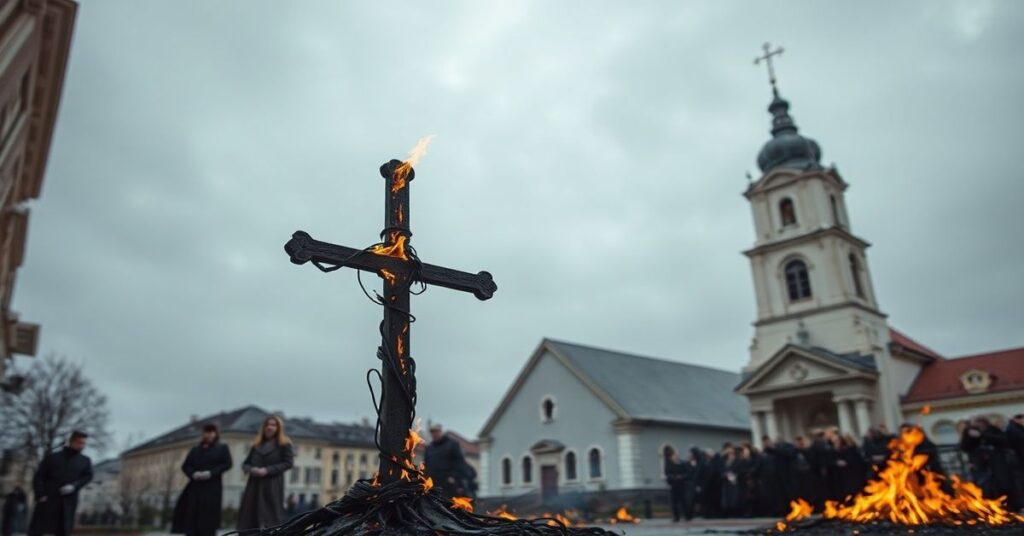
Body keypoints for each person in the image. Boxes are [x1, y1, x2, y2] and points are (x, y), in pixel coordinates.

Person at [171, 423, 233, 536]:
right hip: (195, 486)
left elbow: (227, 464)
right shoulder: (195, 450)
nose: (209, 435)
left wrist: (211, 473)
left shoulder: (222, 448)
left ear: (215, 434)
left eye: (211, 432)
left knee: (208, 517)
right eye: (206, 432)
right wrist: (193, 474)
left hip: (212, 487)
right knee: (191, 515)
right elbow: (185, 466)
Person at [27, 431, 93, 536]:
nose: (82, 446)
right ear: (71, 442)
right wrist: (40, 494)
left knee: (63, 530)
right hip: (48, 499)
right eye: (79, 443)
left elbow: (88, 476)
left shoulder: (84, 461)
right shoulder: (53, 458)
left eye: (83, 443)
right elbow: (39, 476)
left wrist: (74, 486)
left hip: (68, 502)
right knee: (40, 529)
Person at [237, 415, 295, 530]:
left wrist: (268, 470)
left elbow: (288, 463)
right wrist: (251, 469)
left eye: (273, 425)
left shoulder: (284, 445)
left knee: (270, 518)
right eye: (267, 425)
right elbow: (245, 464)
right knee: (249, 518)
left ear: (278, 428)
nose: (269, 427)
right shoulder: (256, 445)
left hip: (272, 485)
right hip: (254, 485)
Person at [959, 417, 1013, 502]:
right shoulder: (969, 432)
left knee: (1001, 485)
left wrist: (982, 435)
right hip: (979, 464)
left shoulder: (992, 430)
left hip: (996, 463)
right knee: (983, 486)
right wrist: (969, 435)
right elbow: (965, 447)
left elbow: (1003, 440)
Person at [423, 424, 469, 498]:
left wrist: (454, 476)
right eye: (432, 432)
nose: (434, 434)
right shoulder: (429, 448)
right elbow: (426, 465)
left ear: (441, 431)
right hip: (434, 483)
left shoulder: (452, 444)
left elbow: (459, 462)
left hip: (449, 483)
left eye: (436, 431)